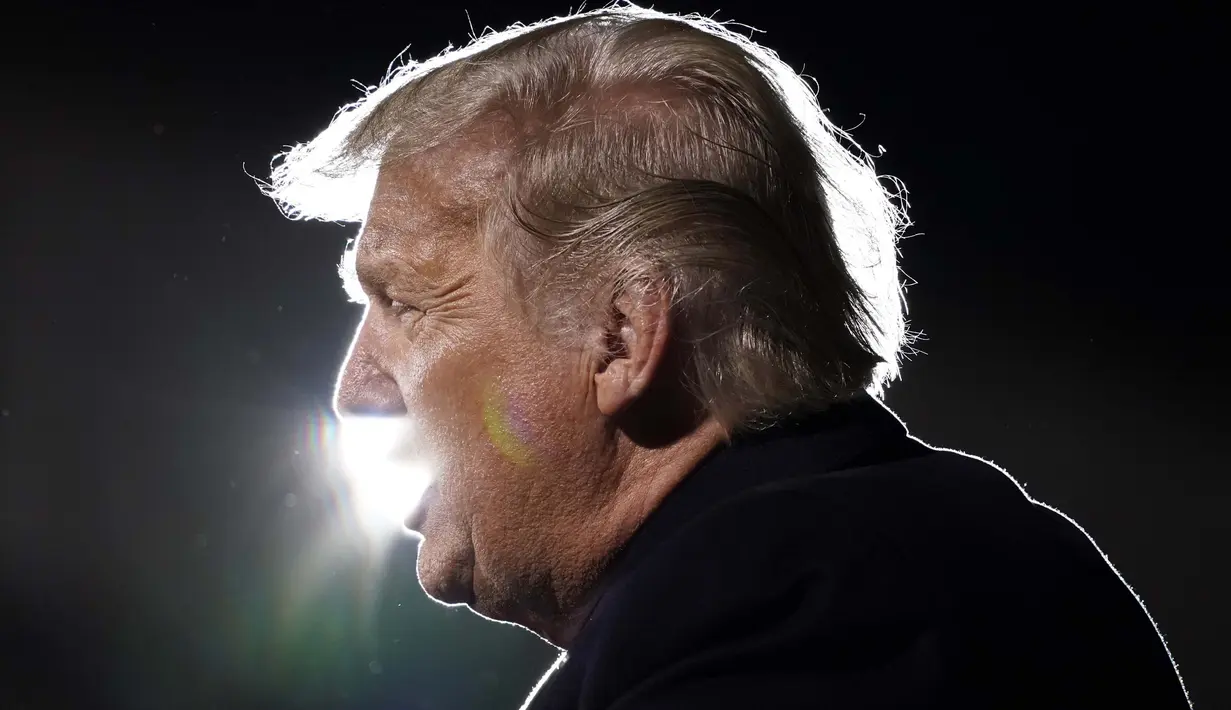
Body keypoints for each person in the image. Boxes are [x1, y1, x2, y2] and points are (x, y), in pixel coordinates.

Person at [262, 3, 1191, 708]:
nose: (356, 388)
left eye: (406, 302)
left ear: (621, 337)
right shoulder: (878, 563)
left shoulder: (805, 613)